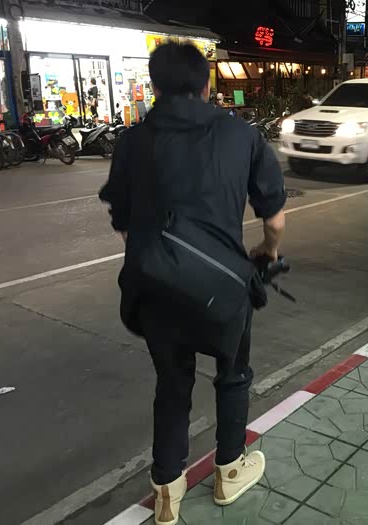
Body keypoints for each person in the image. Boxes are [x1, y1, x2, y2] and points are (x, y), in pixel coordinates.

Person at [99, 42, 286, 525]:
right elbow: (274, 219)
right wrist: (268, 252)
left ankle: (167, 490)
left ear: (155, 87)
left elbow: (123, 223)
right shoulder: (242, 135)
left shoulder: (133, 141)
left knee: (172, 382)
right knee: (233, 373)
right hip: (222, 287)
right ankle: (229, 471)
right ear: (206, 86)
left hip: (155, 286)